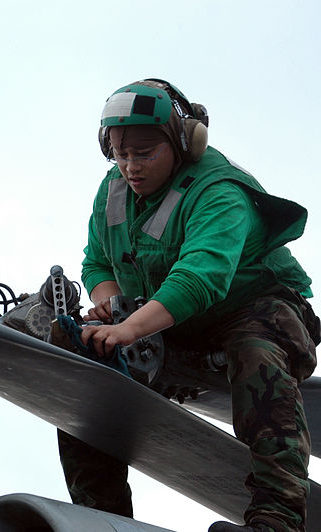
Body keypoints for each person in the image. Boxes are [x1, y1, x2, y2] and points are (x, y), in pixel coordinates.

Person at [69, 78, 320, 532]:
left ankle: (277, 518)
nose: (130, 166)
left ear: (184, 141)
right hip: (167, 323)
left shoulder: (219, 191)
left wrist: (130, 329)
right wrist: (111, 308)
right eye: (120, 153)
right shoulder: (112, 192)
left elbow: (200, 280)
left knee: (258, 356)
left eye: (144, 152)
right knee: (84, 366)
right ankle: (98, 517)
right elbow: (96, 263)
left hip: (259, 311)